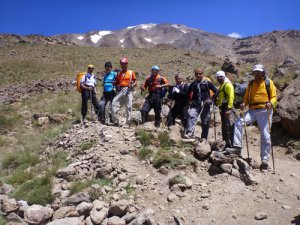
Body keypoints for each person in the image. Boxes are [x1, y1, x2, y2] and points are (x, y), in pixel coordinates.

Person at [232, 64, 277, 170]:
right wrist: (244, 104)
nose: (257, 74)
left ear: (263, 72)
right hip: (252, 110)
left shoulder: (268, 82)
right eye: (255, 72)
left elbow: (274, 96)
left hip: (265, 111)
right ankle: (237, 147)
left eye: (259, 72)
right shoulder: (251, 84)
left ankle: (265, 160)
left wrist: (271, 103)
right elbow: (247, 98)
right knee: (239, 122)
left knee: (265, 135)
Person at [184, 68, 218, 140]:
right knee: (191, 115)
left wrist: (211, 99)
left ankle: (204, 138)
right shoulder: (193, 84)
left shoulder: (207, 83)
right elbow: (188, 93)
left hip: (206, 105)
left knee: (205, 121)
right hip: (195, 104)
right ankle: (189, 133)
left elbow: (216, 91)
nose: (198, 75)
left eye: (200, 74)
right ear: (195, 75)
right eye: (196, 74)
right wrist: (189, 100)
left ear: (203, 74)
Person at [111, 57, 137, 126]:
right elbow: (117, 82)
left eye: (125, 64)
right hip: (120, 90)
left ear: (127, 64)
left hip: (128, 89)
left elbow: (135, 82)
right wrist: (114, 83)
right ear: (120, 64)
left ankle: (128, 123)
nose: (124, 65)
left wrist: (132, 85)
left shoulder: (131, 72)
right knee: (114, 103)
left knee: (129, 106)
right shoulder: (119, 73)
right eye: (122, 64)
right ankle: (116, 120)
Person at [215, 71, 235, 149]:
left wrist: (229, 109)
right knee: (224, 127)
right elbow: (221, 98)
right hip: (223, 108)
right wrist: (216, 101)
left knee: (230, 126)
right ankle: (227, 143)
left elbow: (231, 97)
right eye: (218, 77)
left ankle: (233, 145)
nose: (219, 78)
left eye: (221, 76)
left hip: (227, 108)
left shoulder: (228, 85)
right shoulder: (222, 85)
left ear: (224, 77)